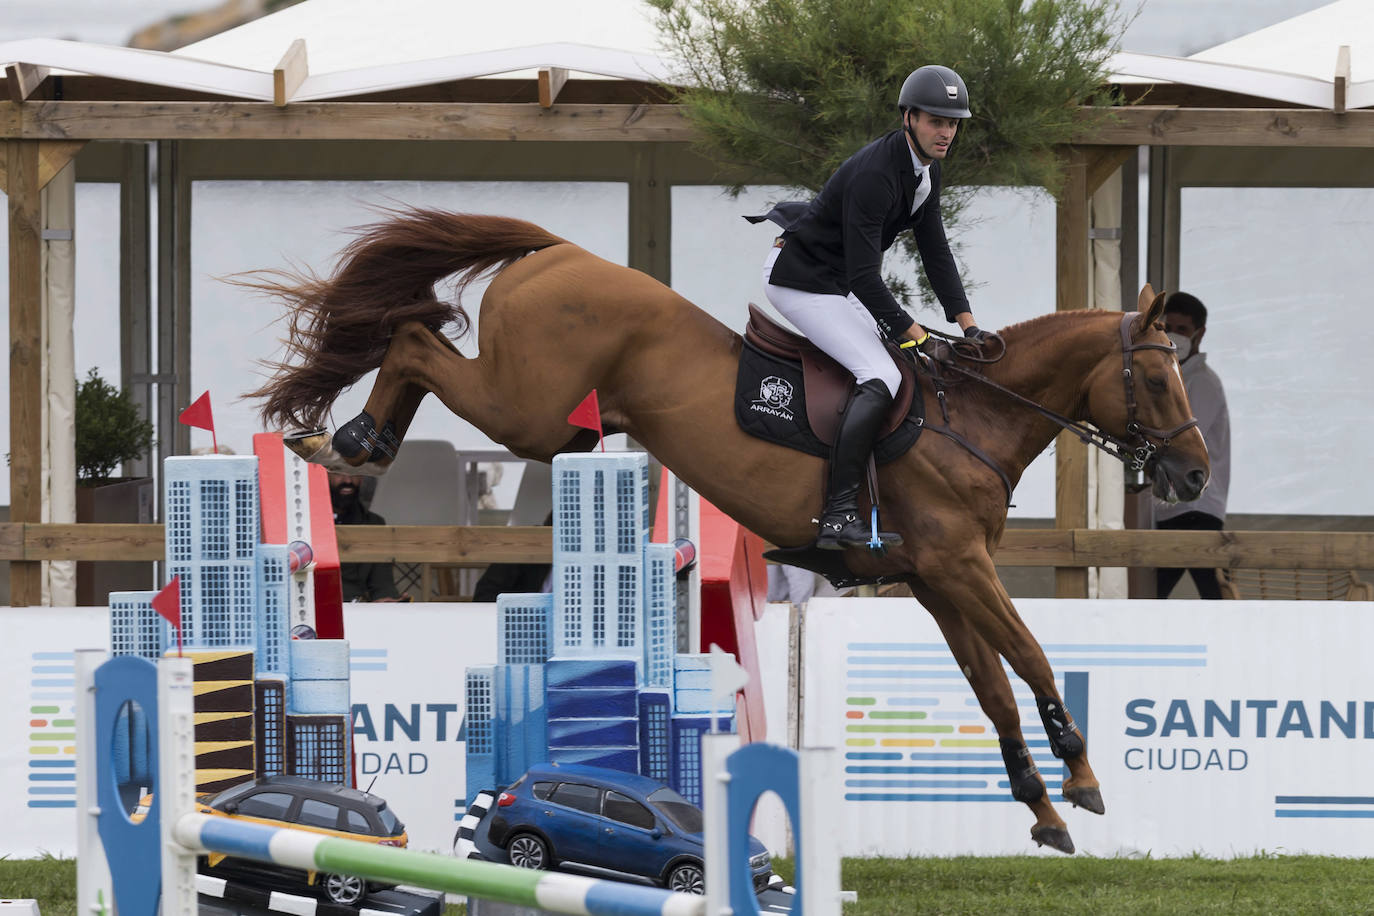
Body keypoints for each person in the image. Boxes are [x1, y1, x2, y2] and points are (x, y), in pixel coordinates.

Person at [749, 64, 988, 549]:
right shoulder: (877, 174)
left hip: (835, 280)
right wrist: (911, 329)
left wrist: (968, 325)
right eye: (936, 121)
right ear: (909, 118)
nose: (947, 132)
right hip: (802, 281)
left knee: (898, 363)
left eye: (953, 122)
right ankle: (837, 515)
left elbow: (935, 249)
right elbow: (864, 277)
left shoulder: (925, 170)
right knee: (883, 376)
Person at [1155, 292, 1230, 599]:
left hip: (1196, 508)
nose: (1174, 335)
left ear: (1200, 333)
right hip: (1175, 509)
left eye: (1182, 330)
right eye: (1167, 327)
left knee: (1214, 594)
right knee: (1212, 594)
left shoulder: (1201, 383)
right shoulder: (1174, 377)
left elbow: (1174, 438)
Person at [329, 470, 407, 602]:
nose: (348, 481)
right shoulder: (305, 524)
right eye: (339, 472)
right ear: (323, 475)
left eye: (355, 473)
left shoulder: (374, 523)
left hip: (358, 612)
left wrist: (387, 601)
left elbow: (382, 584)